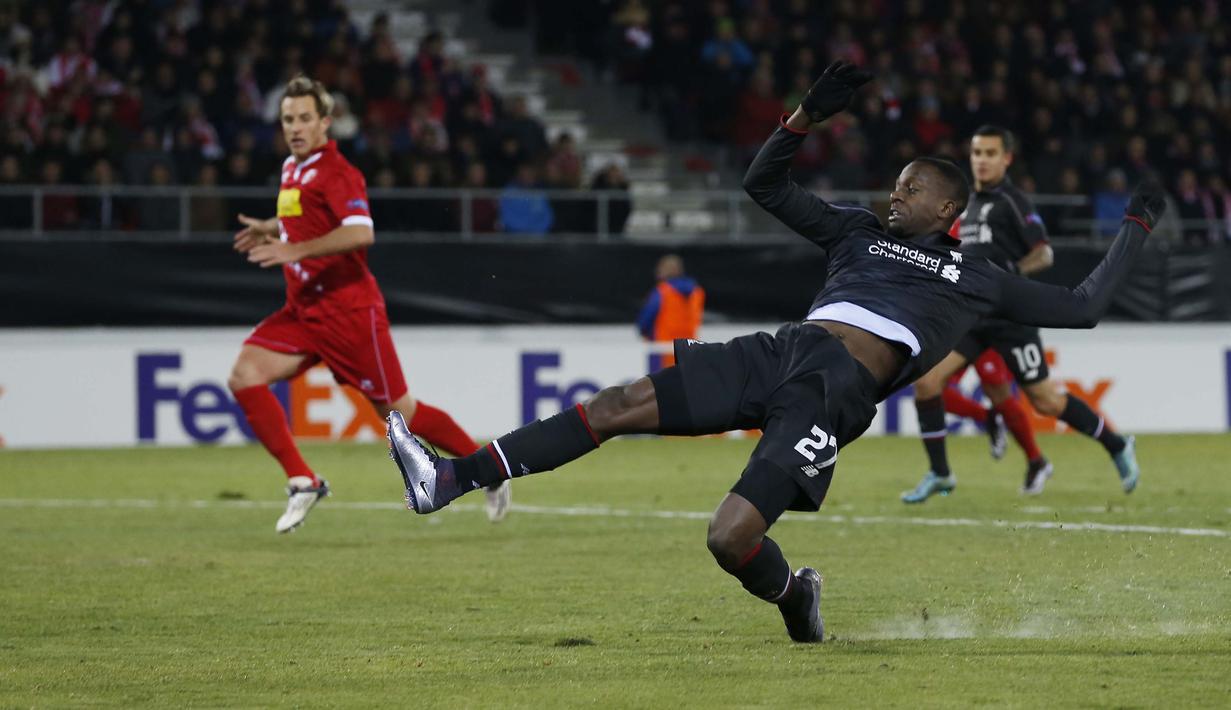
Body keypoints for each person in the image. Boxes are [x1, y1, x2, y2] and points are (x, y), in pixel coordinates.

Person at [386, 62, 1164, 642]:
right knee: (616, 403)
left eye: (912, 188)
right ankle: (450, 478)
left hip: (832, 394)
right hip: (782, 349)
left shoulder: (974, 277)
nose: (896, 194)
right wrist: (800, 118)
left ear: (949, 208)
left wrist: (1134, 227)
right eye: (895, 183)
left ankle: (794, 596)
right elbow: (765, 185)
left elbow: (1085, 306)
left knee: (727, 538)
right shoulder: (856, 229)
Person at [227, 76, 510, 533]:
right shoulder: (291, 168)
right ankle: (303, 480)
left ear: (325, 123)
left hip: (349, 314)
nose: (295, 128)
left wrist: (294, 250)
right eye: (287, 120)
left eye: (304, 119)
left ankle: (488, 468)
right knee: (244, 376)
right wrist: (273, 228)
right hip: (303, 311)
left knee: (402, 412)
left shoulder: (339, 173)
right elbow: (304, 222)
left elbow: (360, 232)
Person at [902, 125, 1137, 503]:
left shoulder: (1013, 201)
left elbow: (1044, 254)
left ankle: (1117, 444)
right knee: (927, 383)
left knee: (1045, 400)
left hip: (1011, 318)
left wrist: (1010, 277)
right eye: (977, 153)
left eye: (990, 153)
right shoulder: (969, 205)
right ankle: (941, 474)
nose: (981, 160)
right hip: (975, 318)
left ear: (1006, 158)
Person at [636, 254, 705, 369]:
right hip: (687, 349)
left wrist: (643, 331)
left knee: (658, 383)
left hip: (661, 349)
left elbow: (646, 318)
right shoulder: (697, 292)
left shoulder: (662, 291)